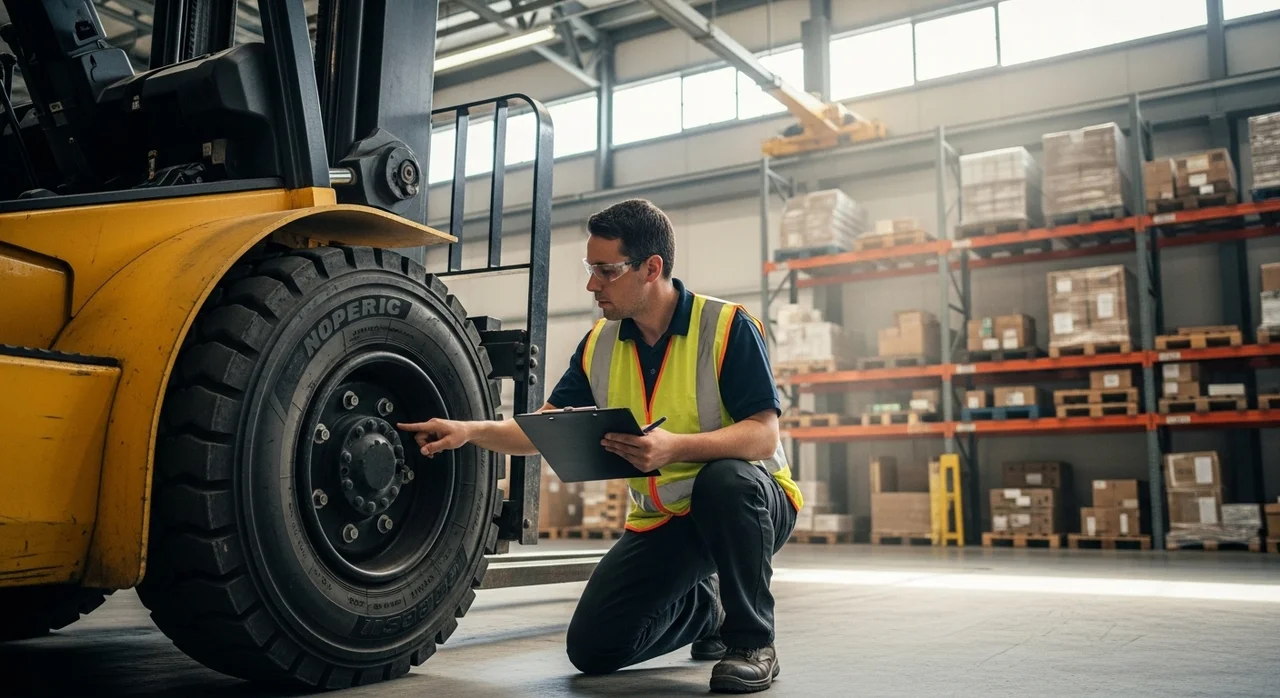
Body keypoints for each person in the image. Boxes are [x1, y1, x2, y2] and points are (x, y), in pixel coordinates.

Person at [398, 198, 803, 694]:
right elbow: (542, 429)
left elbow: (763, 435)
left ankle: (752, 643)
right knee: (593, 649)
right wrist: (469, 431)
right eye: (591, 269)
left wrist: (674, 449)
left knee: (727, 479)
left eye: (606, 271)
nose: (592, 285)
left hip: (751, 505)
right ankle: (707, 611)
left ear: (651, 268)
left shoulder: (726, 327)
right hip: (666, 521)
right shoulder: (600, 344)